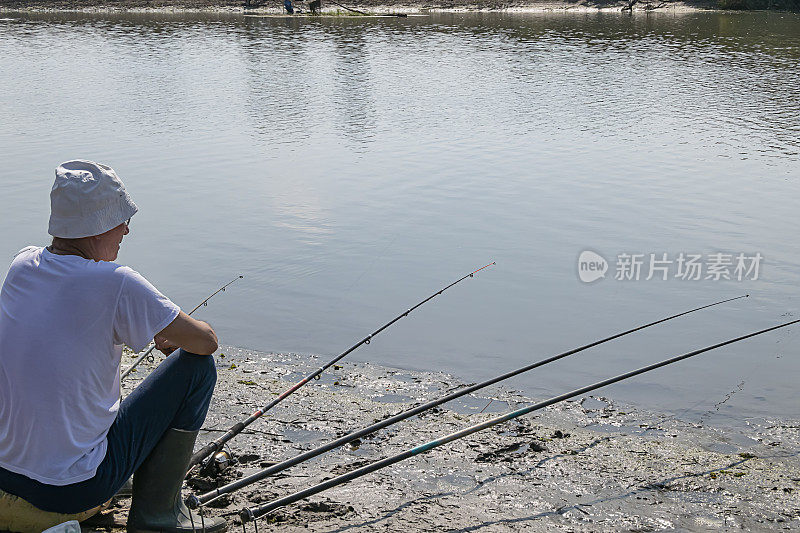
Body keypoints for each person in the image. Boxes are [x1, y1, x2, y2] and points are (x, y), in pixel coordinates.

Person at [0, 160, 227, 533]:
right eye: (121, 220)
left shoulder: (22, 265)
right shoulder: (117, 282)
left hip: (5, 476)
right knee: (197, 370)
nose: (125, 229)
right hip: (67, 492)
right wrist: (168, 335)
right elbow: (205, 342)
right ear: (97, 227)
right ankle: (157, 516)